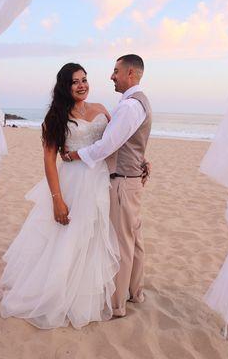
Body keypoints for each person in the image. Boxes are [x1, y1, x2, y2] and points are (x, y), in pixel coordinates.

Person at [0, 63, 120, 329]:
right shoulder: (55, 117)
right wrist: (57, 198)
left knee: (92, 236)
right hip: (72, 182)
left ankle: (84, 295)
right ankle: (57, 293)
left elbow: (116, 141)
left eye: (85, 80)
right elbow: (49, 160)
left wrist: (140, 162)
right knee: (68, 238)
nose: (82, 85)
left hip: (98, 182)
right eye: (75, 81)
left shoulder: (101, 109)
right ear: (65, 86)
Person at [62, 54, 152, 317]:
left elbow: (108, 144)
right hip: (130, 178)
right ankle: (136, 292)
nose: (112, 76)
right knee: (134, 239)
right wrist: (142, 159)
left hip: (123, 181)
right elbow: (130, 139)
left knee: (122, 243)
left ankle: (117, 305)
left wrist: (77, 155)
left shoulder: (128, 106)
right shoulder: (138, 102)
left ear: (130, 74)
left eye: (116, 71)